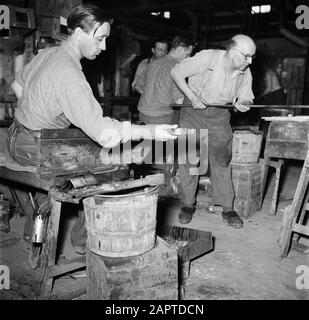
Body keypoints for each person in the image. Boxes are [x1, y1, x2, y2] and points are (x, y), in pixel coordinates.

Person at [7, 3, 177, 253]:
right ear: (78, 33)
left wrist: (42, 113)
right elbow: (105, 135)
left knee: (86, 151)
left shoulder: (48, 54)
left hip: (15, 137)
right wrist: (150, 132)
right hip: (35, 147)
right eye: (100, 39)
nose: (104, 46)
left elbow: (17, 87)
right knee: (114, 165)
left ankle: (37, 223)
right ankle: (84, 242)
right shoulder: (70, 74)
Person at [171, 34, 256, 228]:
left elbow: (246, 97)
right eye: (247, 56)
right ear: (233, 52)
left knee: (221, 162)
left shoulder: (245, 71)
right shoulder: (207, 58)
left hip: (219, 117)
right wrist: (191, 97)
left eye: (252, 57)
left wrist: (244, 103)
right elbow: (176, 72)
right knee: (189, 160)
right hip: (193, 112)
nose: (249, 61)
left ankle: (227, 208)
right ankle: (187, 204)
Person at [138, 36, 194, 125]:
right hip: (161, 116)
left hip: (143, 112)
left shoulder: (153, 63)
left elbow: (139, 86)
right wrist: (196, 101)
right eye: (187, 54)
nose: (188, 58)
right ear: (179, 50)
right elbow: (179, 100)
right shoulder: (176, 68)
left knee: (147, 138)